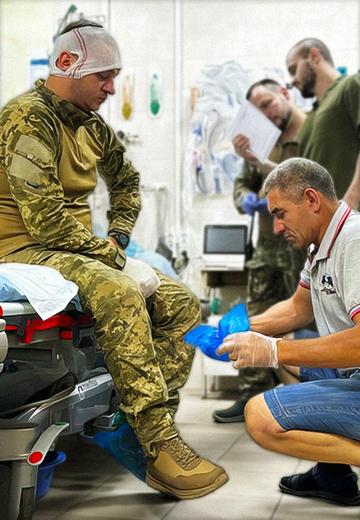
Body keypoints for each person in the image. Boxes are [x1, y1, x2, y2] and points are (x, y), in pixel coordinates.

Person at [0, 20, 228, 499]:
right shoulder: (27, 118)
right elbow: (45, 222)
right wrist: (116, 262)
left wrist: (119, 239)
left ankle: (132, 423)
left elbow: (125, 180)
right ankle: (158, 444)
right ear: (66, 65)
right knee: (123, 292)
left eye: (115, 75)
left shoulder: (90, 125)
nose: (111, 87)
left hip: (72, 246)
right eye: (103, 75)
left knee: (183, 304)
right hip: (23, 246)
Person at [218, 157, 360, 507]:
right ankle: (334, 476)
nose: (277, 227)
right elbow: (298, 307)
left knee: (260, 417)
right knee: (291, 358)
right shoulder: (323, 244)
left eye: (280, 213)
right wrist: (242, 330)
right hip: (353, 373)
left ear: (312, 200)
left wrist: (273, 351)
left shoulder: (353, 243)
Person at [213, 79, 307, 423]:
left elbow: (304, 183)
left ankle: (305, 400)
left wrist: (260, 162)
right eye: (258, 110)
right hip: (268, 245)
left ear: (285, 93)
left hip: (304, 248)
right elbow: (242, 184)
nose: (266, 114)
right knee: (254, 318)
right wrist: (245, 199)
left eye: (268, 103)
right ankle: (251, 395)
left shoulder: (311, 132)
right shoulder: (262, 140)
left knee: (307, 323)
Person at [286, 37, 360, 209]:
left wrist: (351, 200)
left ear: (314, 56)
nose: (292, 80)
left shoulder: (350, 86)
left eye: (293, 69)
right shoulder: (310, 117)